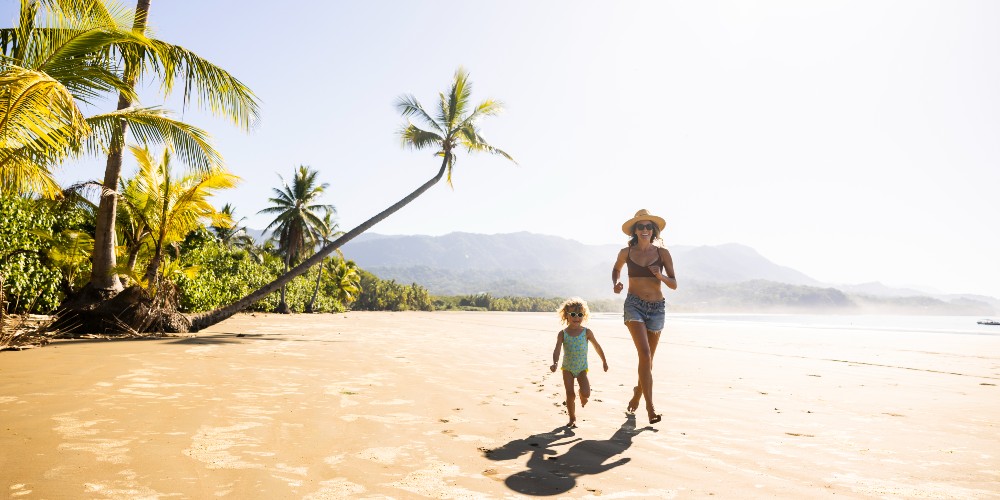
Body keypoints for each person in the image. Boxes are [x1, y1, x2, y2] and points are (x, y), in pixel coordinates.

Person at [612, 209, 677, 424]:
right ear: (634, 231)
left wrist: (660, 275)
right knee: (645, 354)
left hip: (657, 308)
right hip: (634, 305)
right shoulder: (626, 252)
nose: (645, 230)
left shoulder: (663, 253)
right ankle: (650, 409)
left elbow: (674, 284)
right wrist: (616, 283)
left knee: (648, 360)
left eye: (649, 226)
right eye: (641, 227)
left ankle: (638, 393)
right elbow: (616, 269)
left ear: (654, 230)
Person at [550, 297, 609, 428]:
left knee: (586, 393)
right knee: (570, 394)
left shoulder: (586, 332)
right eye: (573, 314)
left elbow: (597, 347)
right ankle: (572, 418)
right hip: (567, 368)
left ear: (584, 316)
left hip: (582, 368)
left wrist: (604, 360)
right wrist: (555, 363)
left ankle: (582, 396)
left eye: (580, 314)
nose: (576, 317)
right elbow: (557, 350)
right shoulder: (562, 334)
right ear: (566, 316)